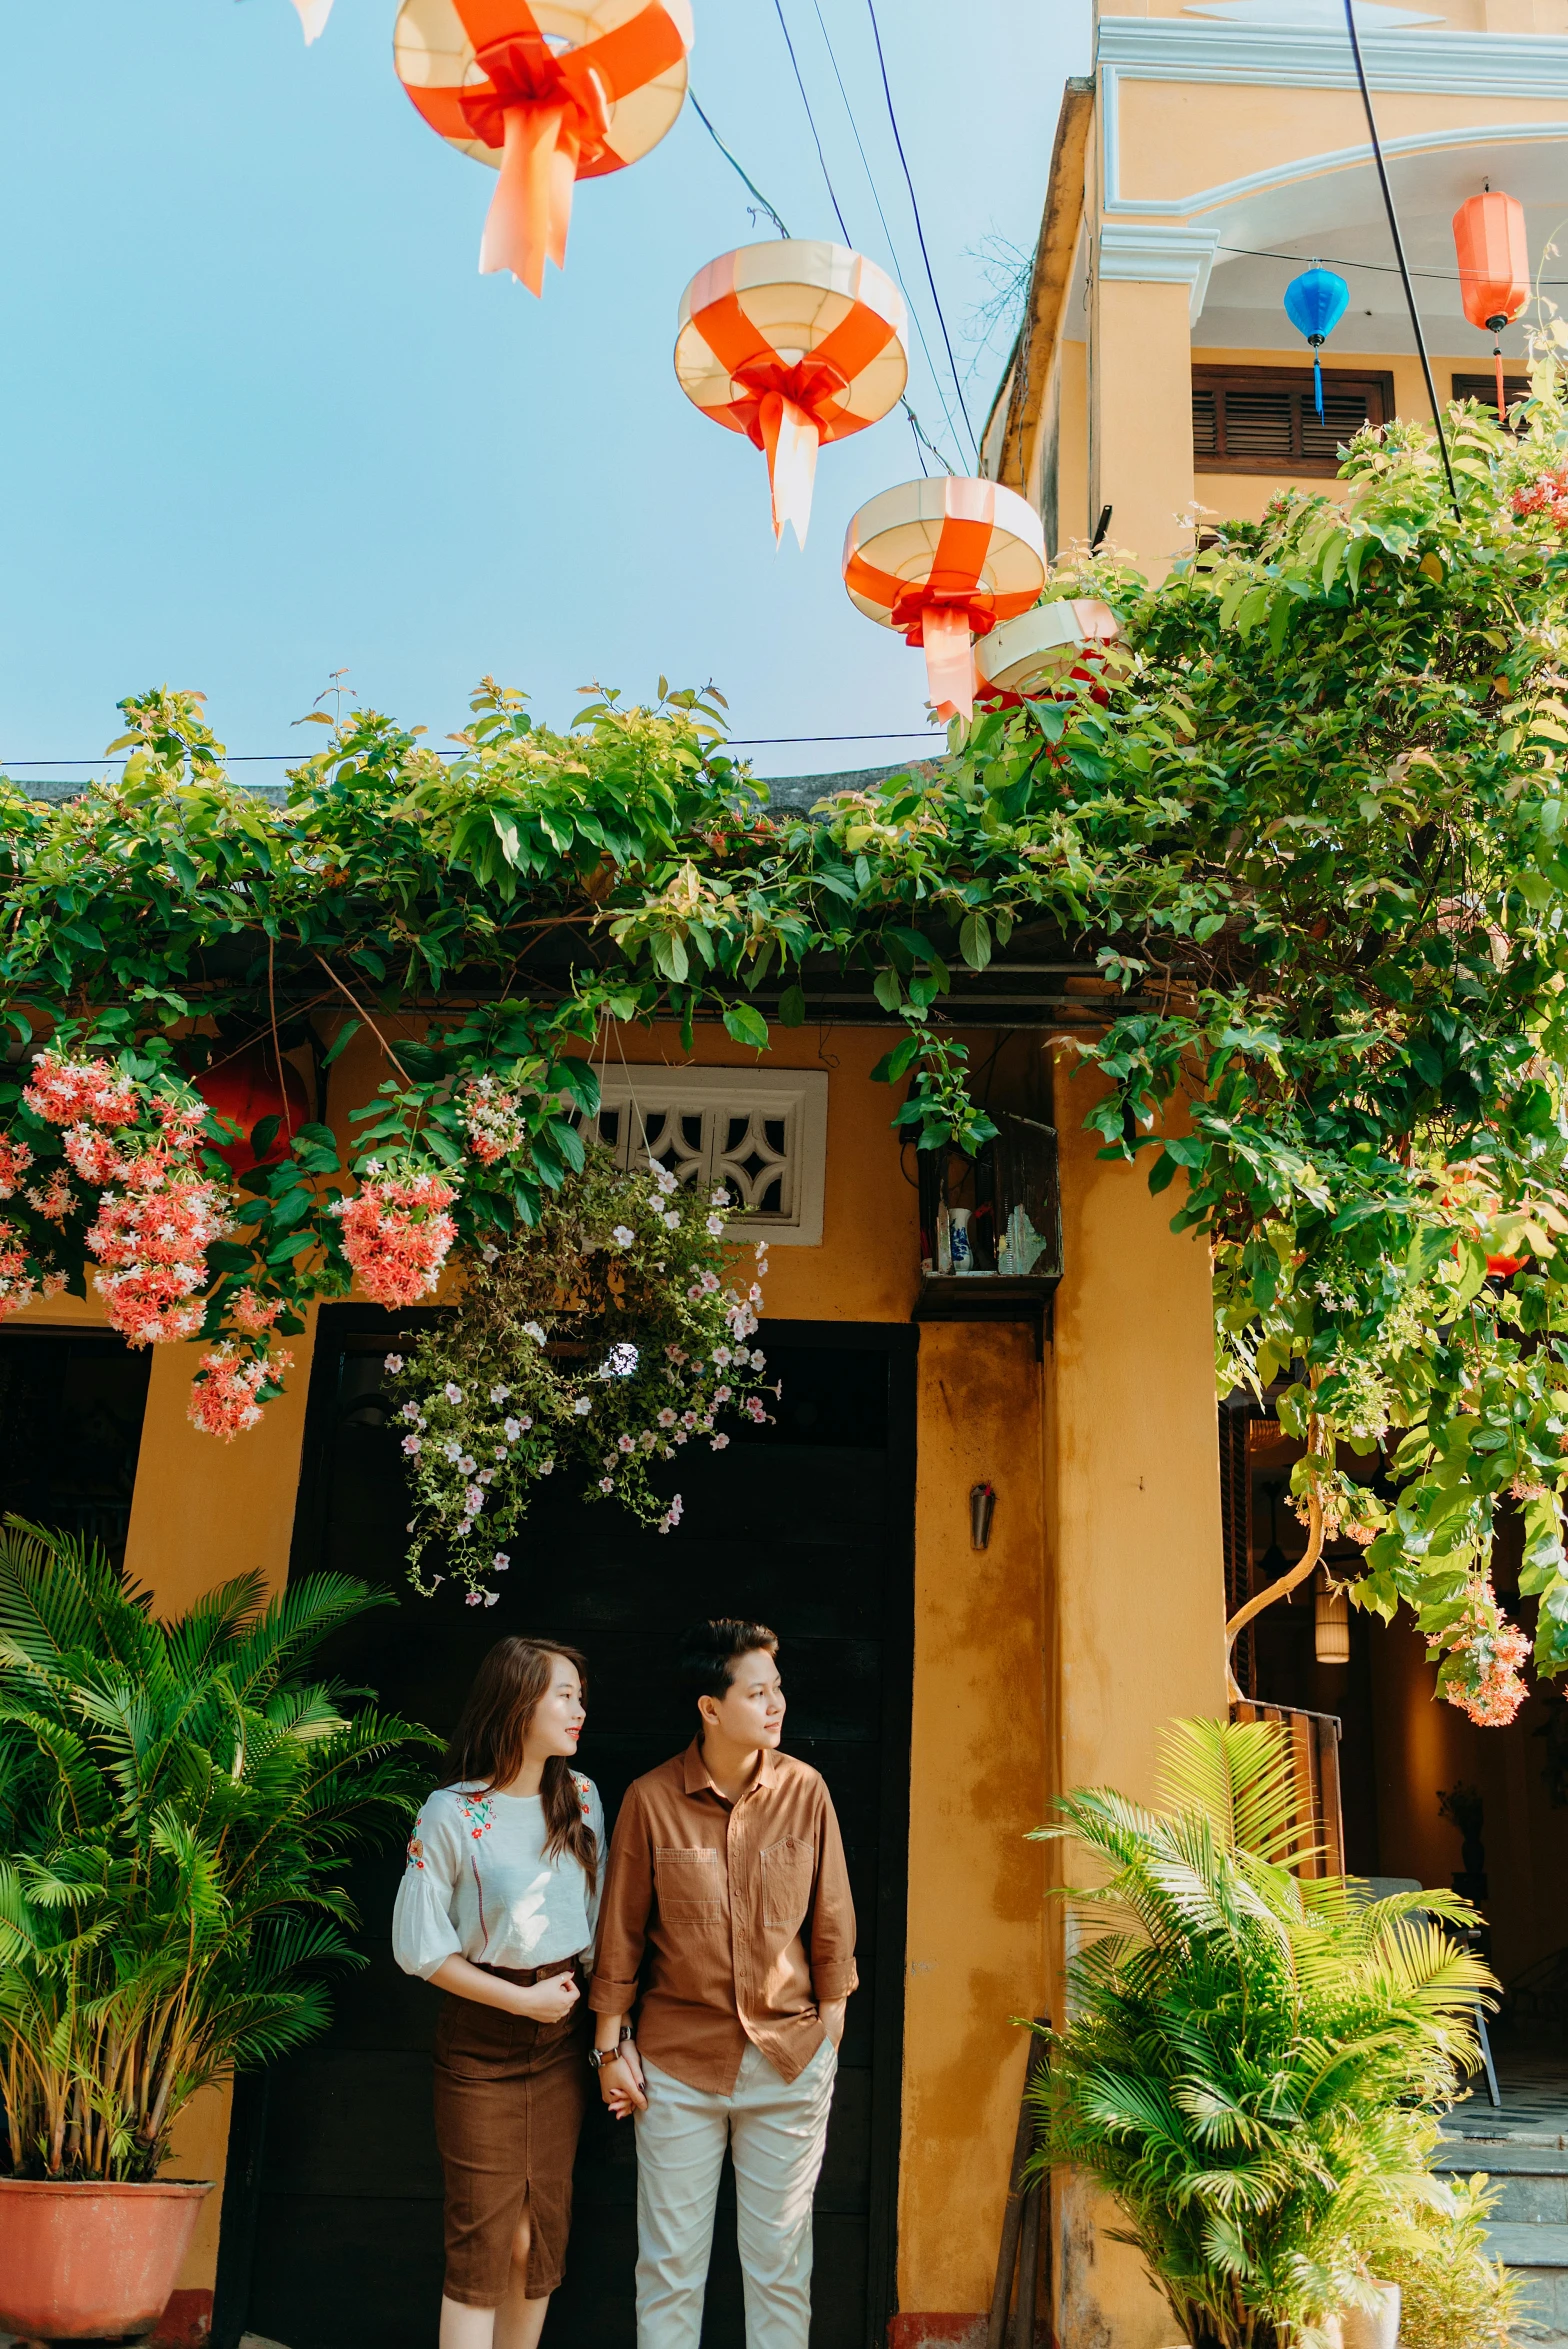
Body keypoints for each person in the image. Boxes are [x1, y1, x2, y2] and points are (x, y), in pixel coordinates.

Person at [588, 1617, 858, 2349]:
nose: (776, 1704)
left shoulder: (807, 1792)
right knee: (672, 2268)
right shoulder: (651, 1799)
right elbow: (620, 1932)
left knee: (779, 2265)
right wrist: (609, 2046)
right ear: (711, 1707)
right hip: (678, 2067)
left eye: (778, 1689)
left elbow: (832, 1920)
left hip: (789, 2061)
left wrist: (829, 2027)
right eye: (758, 1691)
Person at [393, 1637, 605, 2349]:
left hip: (561, 2043)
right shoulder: (452, 1811)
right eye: (564, 1694)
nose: (579, 1707)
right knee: (483, 2240)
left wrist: (609, 2034)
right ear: (519, 1704)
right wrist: (518, 2001)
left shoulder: (581, 1797)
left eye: (579, 1693)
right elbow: (421, 1948)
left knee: (534, 2237)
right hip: (481, 2043)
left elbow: (599, 1922)